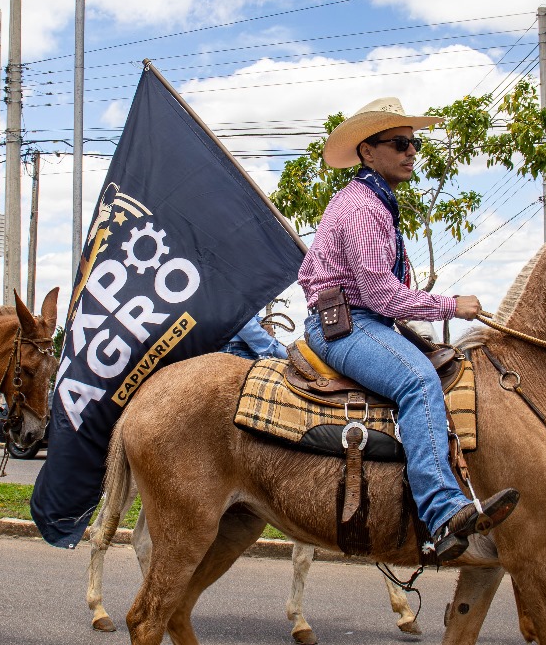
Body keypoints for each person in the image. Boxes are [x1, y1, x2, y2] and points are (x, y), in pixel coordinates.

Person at [299, 97, 519, 562]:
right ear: (367, 152)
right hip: (345, 325)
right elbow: (381, 295)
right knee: (418, 380)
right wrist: (451, 305)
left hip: (365, 320)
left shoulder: (377, 201)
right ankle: (442, 514)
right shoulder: (361, 206)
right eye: (399, 143)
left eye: (414, 143)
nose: (411, 151)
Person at [221, 313, 287, 360]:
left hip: (235, 348)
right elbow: (242, 319)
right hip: (236, 350)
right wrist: (278, 349)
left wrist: (260, 321)